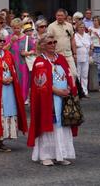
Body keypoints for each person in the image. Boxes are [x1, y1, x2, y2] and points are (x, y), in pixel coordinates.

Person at [28, 33, 77, 166]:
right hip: (47, 100)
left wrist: (69, 88)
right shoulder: (40, 61)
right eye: (50, 43)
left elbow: (68, 74)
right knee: (48, 126)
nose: (53, 44)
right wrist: (56, 91)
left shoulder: (61, 58)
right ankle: (46, 155)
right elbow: (40, 83)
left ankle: (60, 154)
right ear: (43, 45)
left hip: (63, 99)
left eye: (54, 42)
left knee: (62, 126)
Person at [47, 9, 76, 79]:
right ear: (55, 16)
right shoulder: (51, 26)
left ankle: (70, 89)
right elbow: (48, 40)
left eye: (61, 15)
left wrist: (75, 53)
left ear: (65, 16)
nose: (59, 17)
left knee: (74, 74)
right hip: (57, 54)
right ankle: (62, 89)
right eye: (58, 15)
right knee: (59, 75)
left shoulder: (69, 25)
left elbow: (72, 39)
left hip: (68, 54)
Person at [17, 22, 37, 104]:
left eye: (30, 30)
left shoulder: (34, 39)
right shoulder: (23, 39)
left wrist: (29, 53)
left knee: (31, 81)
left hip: (31, 62)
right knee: (25, 81)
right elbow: (20, 51)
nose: (29, 32)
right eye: (27, 31)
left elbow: (36, 50)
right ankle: (26, 97)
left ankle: (29, 97)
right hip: (24, 63)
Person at [73, 21, 92, 98]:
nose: (82, 28)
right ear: (77, 28)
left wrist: (91, 49)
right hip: (78, 57)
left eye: (83, 27)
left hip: (86, 57)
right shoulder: (74, 36)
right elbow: (75, 46)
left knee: (85, 75)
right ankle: (77, 92)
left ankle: (85, 91)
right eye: (80, 27)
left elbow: (91, 44)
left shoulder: (87, 35)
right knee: (77, 75)